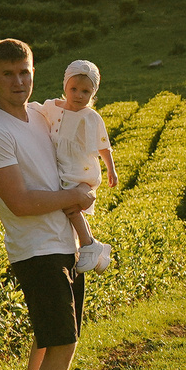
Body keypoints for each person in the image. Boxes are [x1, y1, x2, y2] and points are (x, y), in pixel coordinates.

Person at [0, 38, 97, 370]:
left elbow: (72, 149)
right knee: (63, 340)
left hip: (64, 243)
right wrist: (74, 197)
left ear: (33, 73)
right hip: (35, 249)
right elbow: (20, 203)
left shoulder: (41, 116)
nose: (18, 81)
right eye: (7, 74)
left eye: (24, 72)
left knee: (48, 342)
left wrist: (87, 185)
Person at [36, 58, 118, 273]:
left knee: (70, 207)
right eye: (74, 89)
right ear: (65, 87)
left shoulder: (91, 117)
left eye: (85, 91)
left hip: (80, 170)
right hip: (62, 168)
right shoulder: (52, 107)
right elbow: (34, 111)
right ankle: (96, 250)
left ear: (93, 93)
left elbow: (104, 146)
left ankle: (88, 244)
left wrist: (111, 170)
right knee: (69, 206)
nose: (79, 95)